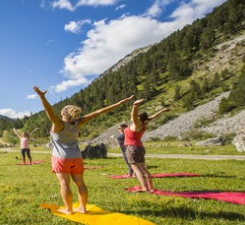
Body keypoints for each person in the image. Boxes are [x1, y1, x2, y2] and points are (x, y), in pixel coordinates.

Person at [34, 86, 133, 215]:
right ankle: (83, 208)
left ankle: (69, 210)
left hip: (61, 158)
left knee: (64, 183)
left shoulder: (58, 124)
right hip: (77, 157)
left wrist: (42, 96)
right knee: (80, 183)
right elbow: (99, 112)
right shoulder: (78, 123)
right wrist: (119, 103)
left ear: (63, 113)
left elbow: (48, 110)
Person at [125, 99, 171, 192]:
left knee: (137, 169)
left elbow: (133, 115)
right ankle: (150, 187)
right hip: (139, 148)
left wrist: (135, 106)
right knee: (142, 168)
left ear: (139, 118)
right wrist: (163, 111)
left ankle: (145, 188)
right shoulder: (144, 124)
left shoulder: (137, 124)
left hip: (132, 148)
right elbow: (153, 117)